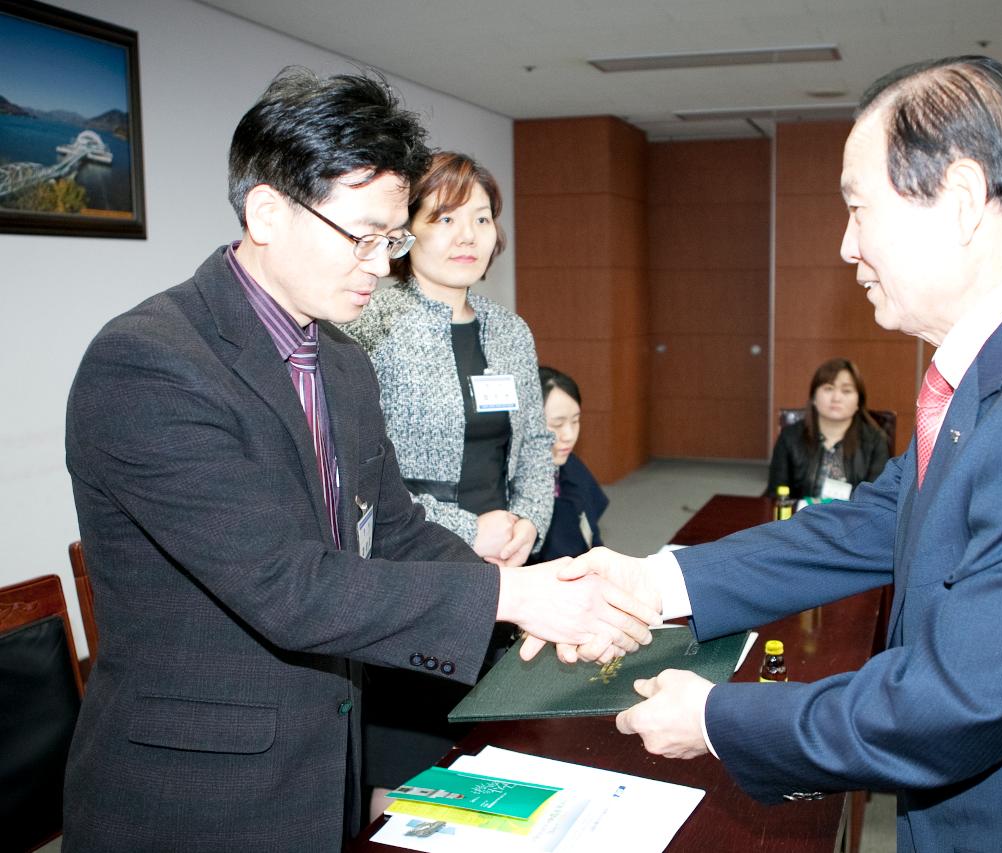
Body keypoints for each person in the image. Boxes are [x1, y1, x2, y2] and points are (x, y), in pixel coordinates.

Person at [556, 56, 1002, 850]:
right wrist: (656, 581)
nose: (847, 245)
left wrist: (717, 717)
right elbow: (877, 519)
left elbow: (955, 702)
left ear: (959, 200)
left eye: (859, 208)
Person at [62, 68, 656, 852]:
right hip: (197, 790)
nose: (382, 264)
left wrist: (536, 589)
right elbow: (286, 583)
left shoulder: (340, 359)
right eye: (364, 237)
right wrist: (511, 596)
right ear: (267, 211)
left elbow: (400, 531)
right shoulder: (150, 361)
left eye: (394, 239)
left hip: (325, 751)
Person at [345, 151, 552, 569]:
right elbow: (352, 471)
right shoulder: (366, 328)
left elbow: (536, 444)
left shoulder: (511, 330)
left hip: (506, 550)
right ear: (405, 232)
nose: (468, 237)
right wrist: (469, 530)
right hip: (412, 555)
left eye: (481, 218)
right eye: (445, 219)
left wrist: (529, 520)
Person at [766, 357, 889, 500]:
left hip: (852, 519)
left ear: (858, 402)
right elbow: (776, 494)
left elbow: (876, 499)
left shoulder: (875, 441)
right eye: (828, 388)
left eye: (846, 391)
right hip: (800, 518)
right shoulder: (790, 437)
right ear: (813, 397)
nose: (836, 398)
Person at [533, 366, 609, 561]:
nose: (569, 435)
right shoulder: (506, 487)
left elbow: (593, 537)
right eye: (557, 425)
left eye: (575, 421)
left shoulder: (571, 466)